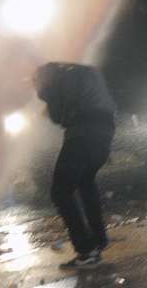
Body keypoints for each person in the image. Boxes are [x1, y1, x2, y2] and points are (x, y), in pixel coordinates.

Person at [34, 62, 117, 270]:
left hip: (82, 135)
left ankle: (86, 250)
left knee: (60, 192)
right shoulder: (84, 72)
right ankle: (98, 242)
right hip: (104, 133)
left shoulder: (59, 81)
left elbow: (57, 115)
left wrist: (44, 94)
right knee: (85, 183)